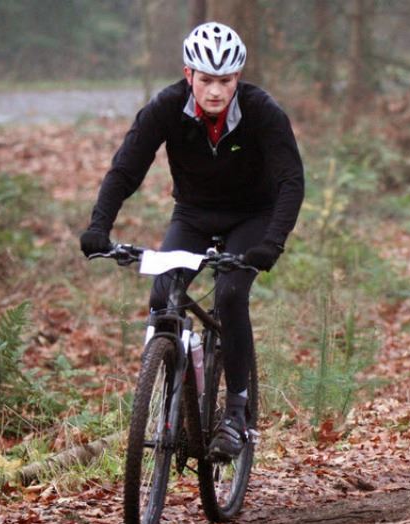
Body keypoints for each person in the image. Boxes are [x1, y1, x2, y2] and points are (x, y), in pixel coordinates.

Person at [79, 22, 304, 459]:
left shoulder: (262, 111)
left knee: (231, 293)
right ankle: (172, 393)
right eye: (206, 80)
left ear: (237, 78)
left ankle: (236, 412)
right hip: (194, 216)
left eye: (225, 81)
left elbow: (291, 182)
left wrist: (270, 244)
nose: (215, 91)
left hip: (251, 217)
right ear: (189, 75)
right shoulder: (166, 106)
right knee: (164, 295)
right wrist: (98, 228)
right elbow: (126, 169)